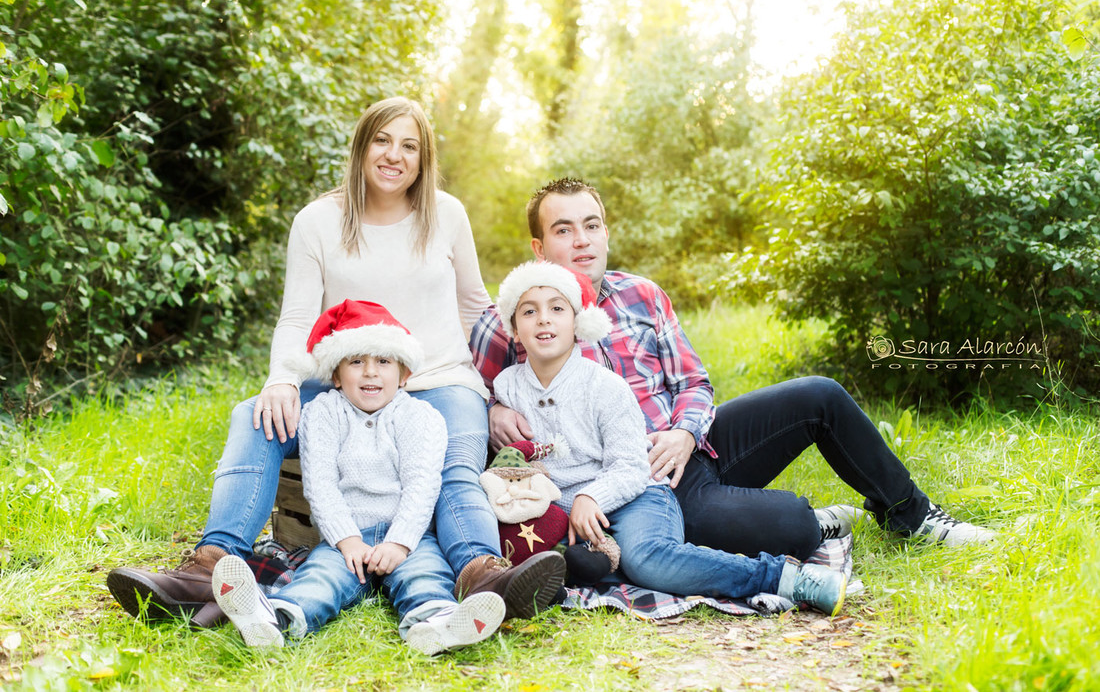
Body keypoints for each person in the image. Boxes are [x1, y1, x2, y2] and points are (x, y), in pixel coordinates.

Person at [107, 98, 564, 629]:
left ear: (424, 158)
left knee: (455, 463)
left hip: (439, 379)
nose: (395, 155)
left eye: (409, 146)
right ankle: (208, 567)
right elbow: (297, 316)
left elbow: (474, 307)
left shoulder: (447, 215)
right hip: (345, 384)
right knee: (252, 415)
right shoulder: (318, 221)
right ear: (362, 146)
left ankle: (482, 574)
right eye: (383, 140)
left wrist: (495, 391)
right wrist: (281, 379)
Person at [470, 177, 996, 561]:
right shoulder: (510, 321)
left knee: (820, 395)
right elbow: (473, 392)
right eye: (564, 230)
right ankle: (820, 521)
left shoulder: (642, 296)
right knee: (792, 526)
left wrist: (684, 430)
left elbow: (694, 382)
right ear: (539, 248)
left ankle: (914, 516)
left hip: (697, 443)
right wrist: (493, 408)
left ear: (606, 233)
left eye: (592, 225)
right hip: (645, 483)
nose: (582, 240)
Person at [489, 260, 847, 613]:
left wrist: (590, 496)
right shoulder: (508, 387)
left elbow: (631, 467)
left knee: (647, 560)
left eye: (556, 308)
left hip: (635, 494)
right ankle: (570, 571)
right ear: (515, 330)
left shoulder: (604, 386)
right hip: (564, 516)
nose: (544, 319)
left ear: (578, 324)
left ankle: (783, 577)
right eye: (529, 312)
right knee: (529, 548)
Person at [211, 299, 504, 653]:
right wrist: (346, 539)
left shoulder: (421, 417)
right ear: (336, 374)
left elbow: (422, 486)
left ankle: (437, 624)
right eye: (356, 361)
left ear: (404, 373)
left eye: (383, 361)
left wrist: (400, 542)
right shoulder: (322, 413)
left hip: (408, 537)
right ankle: (274, 620)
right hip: (344, 539)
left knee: (424, 575)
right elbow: (320, 485)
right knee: (321, 579)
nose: (370, 372)